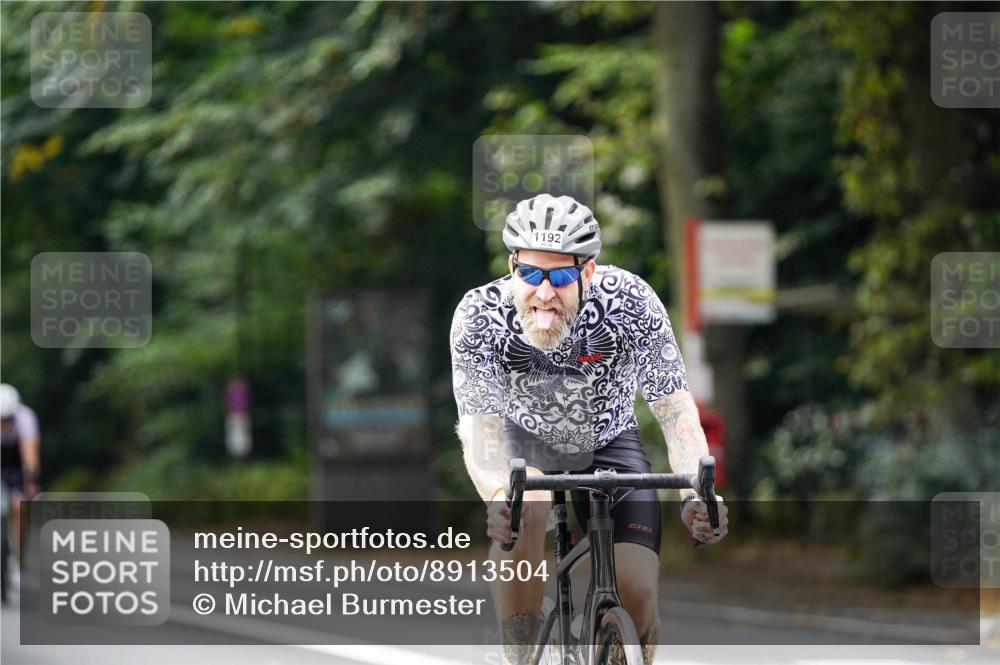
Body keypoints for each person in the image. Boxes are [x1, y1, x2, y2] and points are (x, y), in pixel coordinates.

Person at [450, 194, 730, 665]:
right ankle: (519, 656)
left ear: (588, 271)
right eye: (530, 274)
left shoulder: (631, 301)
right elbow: (480, 429)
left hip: (609, 441)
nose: (543, 293)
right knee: (526, 506)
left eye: (560, 276)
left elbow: (675, 410)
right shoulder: (480, 314)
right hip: (525, 447)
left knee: (637, 586)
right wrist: (497, 492)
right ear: (512, 266)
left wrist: (696, 494)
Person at [0, 383, 40, 558]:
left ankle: (20, 556)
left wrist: (30, 481)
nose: (5, 423)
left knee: (20, 507)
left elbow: (30, 454)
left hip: (16, 465)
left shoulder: (25, 417)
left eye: (8, 418)